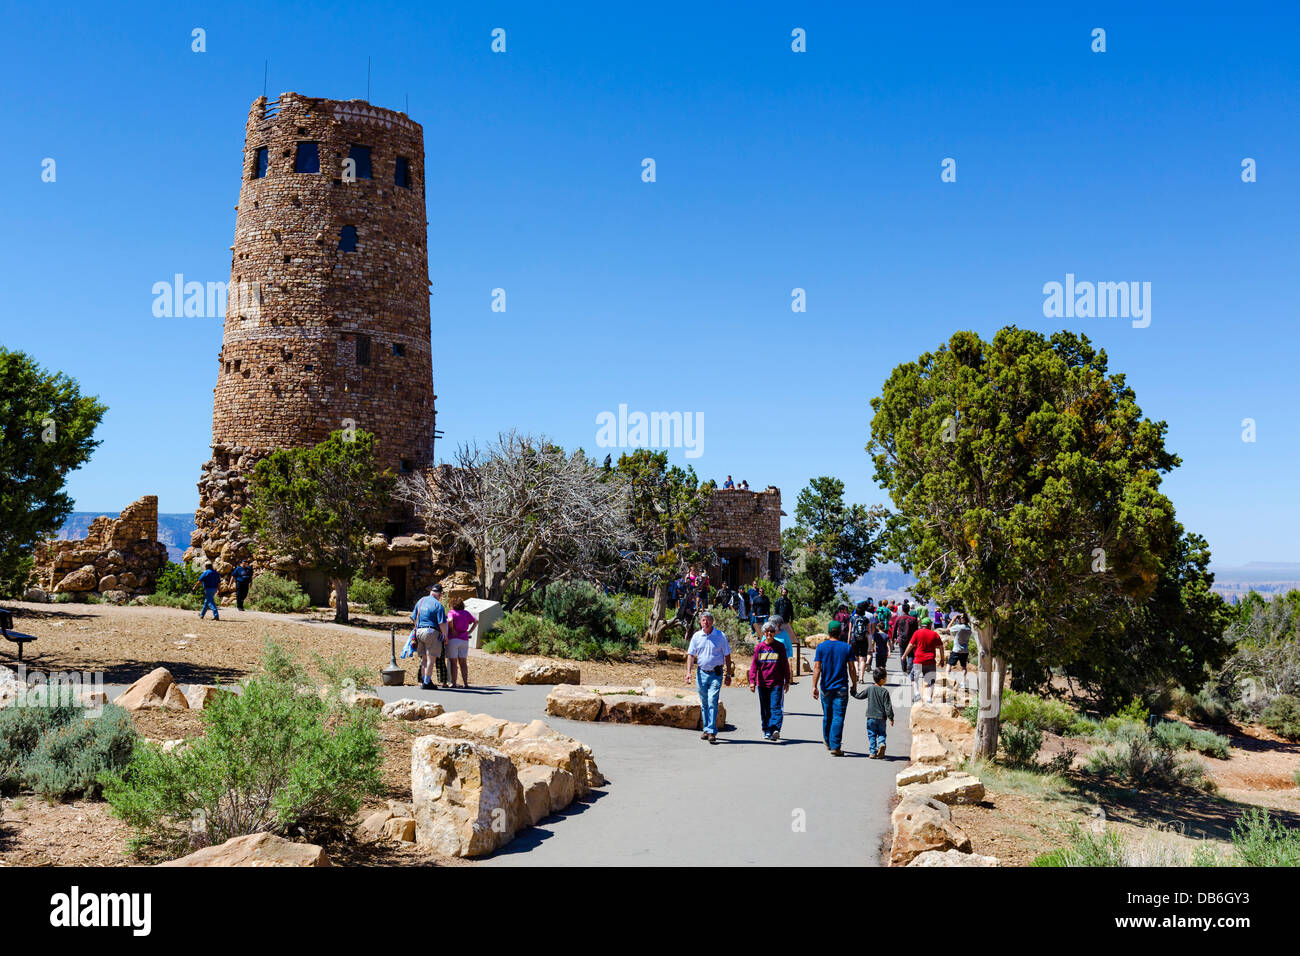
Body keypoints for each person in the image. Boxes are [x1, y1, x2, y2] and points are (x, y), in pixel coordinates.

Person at [811, 620, 857, 756]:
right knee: (838, 717)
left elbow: (817, 667)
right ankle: (835, 746)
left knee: (827, 715)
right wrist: (854, 684)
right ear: (841, 632)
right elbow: (852, 668)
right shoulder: (846, 647)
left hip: (826, 686)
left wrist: (814, 686)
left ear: (828, 632)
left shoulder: (821, 647)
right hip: (841, 686)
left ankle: (828, 741)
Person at [686, 610, 732, 744]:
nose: (706, 622)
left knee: (712, 700)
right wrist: (688, 672)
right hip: (701, 673)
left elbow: (727, 655)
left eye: (708, 620)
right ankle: (706, 729)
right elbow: (691, 655)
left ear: (712, 621)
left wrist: (728, 674)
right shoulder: (696, 636)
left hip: (716, 674)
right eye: (703, 620)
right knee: (704, 702)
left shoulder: (720, 636)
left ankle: (712, 731)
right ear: (700, 622)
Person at [748, 621, 791, 741]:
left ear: (775, 633)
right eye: (767, 631)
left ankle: (775, 729)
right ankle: (766, 730)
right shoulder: (759, 648)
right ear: (764, 632)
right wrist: (752, 681)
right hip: (762, 683)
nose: (769, 633)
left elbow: (785, 665)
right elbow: (754, 666)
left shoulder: (780, 647)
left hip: (777, 683)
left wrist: (787, 680)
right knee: (765, 708)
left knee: (776, 707)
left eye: (772, 631)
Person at [411, 584, 450, 690]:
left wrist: (415, 632)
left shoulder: (421, 601)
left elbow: (414, 618)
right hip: (431, 632)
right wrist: (445, 635)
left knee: (423, 658)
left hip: (419, 631)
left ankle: (424, 680)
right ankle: (427, 682)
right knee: (431, 659)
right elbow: (441, 622)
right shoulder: (438, 605)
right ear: (439, 594)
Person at [850, 666, 895, 758]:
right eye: (886, 677)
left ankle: (872, 752)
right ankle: (881, 744)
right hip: (881, 718)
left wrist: (853, 692)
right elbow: (888, 706)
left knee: (872, 734)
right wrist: (891, 717)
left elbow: (860, 696)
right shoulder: (884, 692)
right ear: (882, 680)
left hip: (870, 717)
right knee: (882, 733)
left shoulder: (870, 689)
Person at [904, 617, 947, 704]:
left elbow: (910, 645)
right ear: (930, 625)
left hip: (918, 660)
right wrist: (942, 659)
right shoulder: (934, 634)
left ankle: (917, 694)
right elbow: (941, 647)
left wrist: (904, 655)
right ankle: (929, 699)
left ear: (922, 625)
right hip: (930, 661)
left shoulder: (917, 633)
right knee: (930, 681)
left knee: (913, 678)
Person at [446, 598, 477, 688]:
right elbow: (476, 621)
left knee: (453, 662)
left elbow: (450, 620)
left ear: (452, 605)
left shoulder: (451, 612)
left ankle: (454, 683)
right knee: (463, 662)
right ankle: (466, 683)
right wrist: (469, 632)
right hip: (464, 639)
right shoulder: (466, 613)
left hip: (453, 639)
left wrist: (452, 629)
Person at [947, 613, 973, 703]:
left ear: (963, 620)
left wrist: (953, 620)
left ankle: (947, 679)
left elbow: (948, 628)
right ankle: (963, 683)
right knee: (964, 666)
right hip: (965, 650)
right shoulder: (969, 628)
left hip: (956, 649)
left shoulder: (959, 627)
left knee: (949, 664)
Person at [849, 600, 873, 670]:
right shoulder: (868, 617)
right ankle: (861, 677)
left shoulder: (853, 617)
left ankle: (856, 671)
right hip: (865, 638)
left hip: (854, 638)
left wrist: (849, 641)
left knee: (856, 657)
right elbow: (869, 631)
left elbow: (850, 630)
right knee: (864, 656)